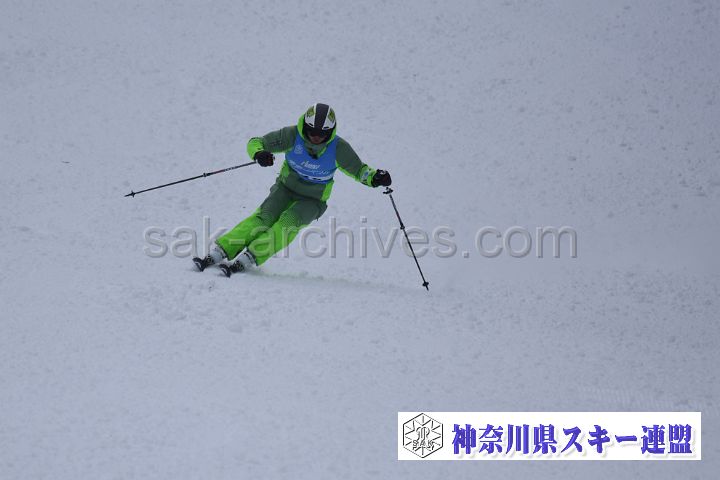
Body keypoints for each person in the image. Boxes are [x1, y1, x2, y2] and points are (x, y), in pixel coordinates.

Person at [192, 103, 392, 276]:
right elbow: (256, 142)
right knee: (263, 218)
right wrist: (259, 154)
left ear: (330, 133)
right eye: (311, 131)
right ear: (305, 126)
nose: (315, 137)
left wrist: (375, 178)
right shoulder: (292, 136)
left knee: (286, 224)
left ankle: (251, 256)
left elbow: (360, 170)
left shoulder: (339, 148)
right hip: (284, 189)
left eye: (322, 134)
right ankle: (220, 251)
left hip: (312, 200)